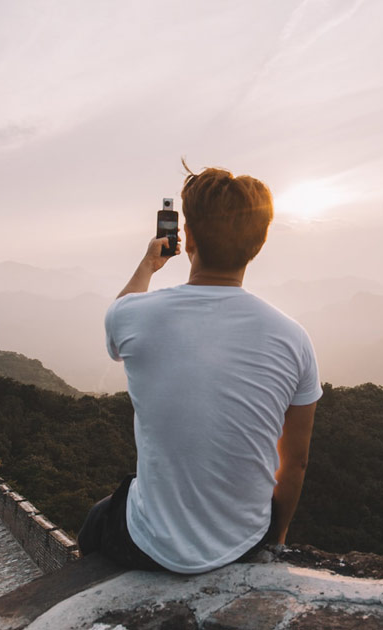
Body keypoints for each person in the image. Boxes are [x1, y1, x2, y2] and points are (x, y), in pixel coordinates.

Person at [77, 166, 322, 574]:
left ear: (187, 236)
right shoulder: (293, 338)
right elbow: (294, 462)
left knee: (95, 523)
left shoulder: (132, 315)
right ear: (258, 244)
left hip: (148, 544)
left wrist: (148, 266)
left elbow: (117, 318)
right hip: (246, 541)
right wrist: (273, 541)